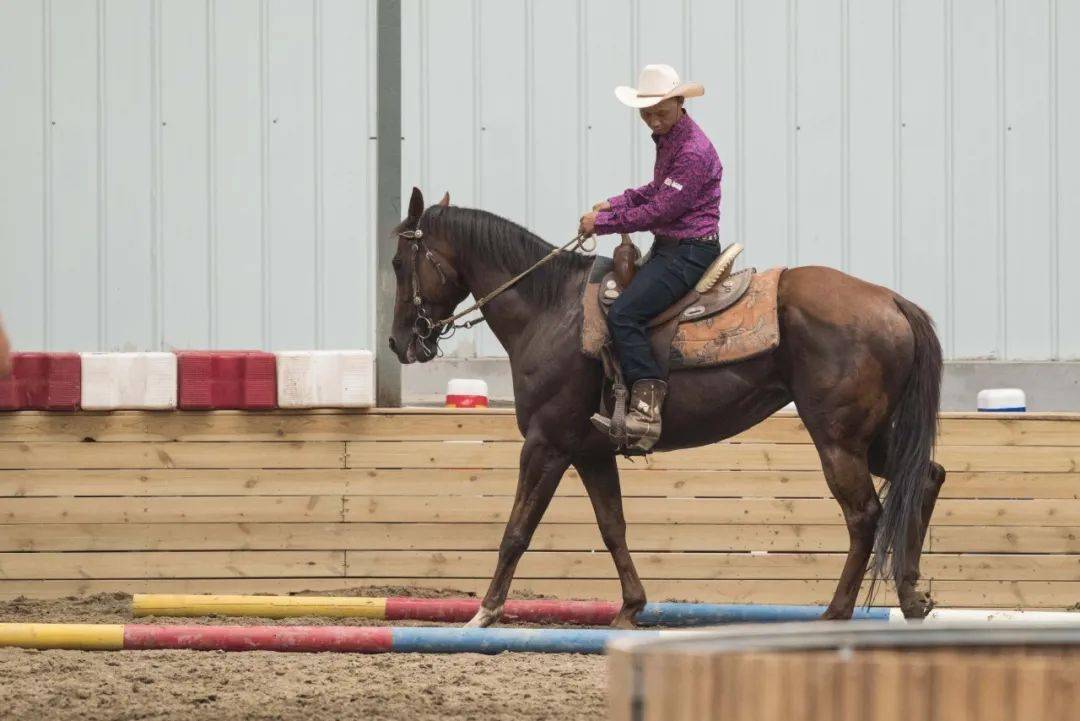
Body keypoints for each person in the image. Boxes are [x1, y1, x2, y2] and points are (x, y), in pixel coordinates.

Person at [579, 64, 726, 452]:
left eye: (660, 111)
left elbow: (662, 209)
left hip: (688, 252)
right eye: (647, 113)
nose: (653, 120)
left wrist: (604, 222)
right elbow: (657, 189)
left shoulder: (693, 150)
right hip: (673, 247)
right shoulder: (672, 139)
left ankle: (646, 409)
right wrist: (618, 200)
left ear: (680, 103)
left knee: (626, 313)